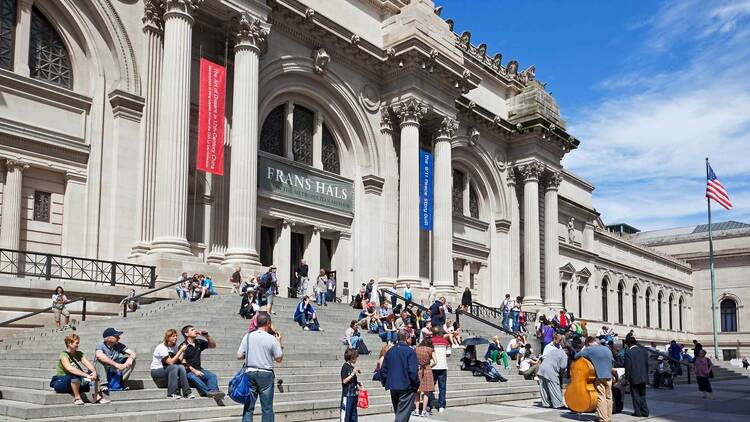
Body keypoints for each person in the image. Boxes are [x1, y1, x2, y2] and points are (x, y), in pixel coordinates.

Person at [237, 311, 283, 422]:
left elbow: (239, 356)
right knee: (267, 408)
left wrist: (249, 354)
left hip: (250, 373)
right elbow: (279, 359)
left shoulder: (247, 336)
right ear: (268, 323)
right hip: (266, 373)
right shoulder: (272, 339)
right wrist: (279, 342)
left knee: (248, 407)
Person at [51, 333, 109, 405]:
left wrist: (94, 371)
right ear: (69, 343)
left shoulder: (79, 353)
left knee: (93, 375)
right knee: (74, 377)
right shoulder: (63, 355)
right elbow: (69, 368)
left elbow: (88, 364)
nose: (78, 345)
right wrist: (85, 375)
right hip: (62, 381)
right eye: (76, 343)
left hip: (76, 382)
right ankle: (77, 398)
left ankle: (96, 396)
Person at [380, 331, 419, 422]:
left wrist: (386, 382)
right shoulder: (410, 351)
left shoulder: (390, 351)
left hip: (393, 386)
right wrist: (416, 384)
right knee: (402, 416)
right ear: (406, 338)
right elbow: (413, 372)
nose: (411, 339)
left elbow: (383, 370)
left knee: (399, 413)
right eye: (410, 337)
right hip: (407, 387)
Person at [575, 336, 614, 422]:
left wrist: (585, 349)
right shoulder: (607, 349)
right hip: (609, 375)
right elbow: (612, 361)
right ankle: (609, 417)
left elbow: (576, 356)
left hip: (599, 376)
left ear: (588, 343)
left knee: (600, 397)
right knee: (609, 397)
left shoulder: (589, 349)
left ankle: (603, 418)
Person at [180, 325, 224, 399]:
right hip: (188, 371)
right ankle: (209, 392)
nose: (195, 331)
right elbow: (182, 362)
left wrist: (207, 336)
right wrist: (194, 371)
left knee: (212, 376)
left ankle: (214, 391)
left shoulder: (199, 342)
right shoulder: (183, 346)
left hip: (199, 369)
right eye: (192, 329)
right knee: (193, 377)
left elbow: (213, 346)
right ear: (186, 334)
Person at [150, 329, 194, 399]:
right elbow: (171, 362)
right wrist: (180, 350)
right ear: (168, 338)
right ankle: (171, 393)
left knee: (181, 367)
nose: (175, 337)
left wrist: (183, 352)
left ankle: (187, 392)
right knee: (174, 367)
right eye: (173, 336)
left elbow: (179, 360)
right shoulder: (162, 347)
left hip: (168, 369)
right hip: (156, 371)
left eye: (176, 336)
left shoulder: (174, 346)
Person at [94, 327, 136, 394]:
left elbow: (133, 353)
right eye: (116, 336)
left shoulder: (118, 345)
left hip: (113, 369)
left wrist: (130, 360)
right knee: (100, 361)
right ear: (108, 338)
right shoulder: (101, 345)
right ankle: (103, 384)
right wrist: (117, 365)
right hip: (102, 371)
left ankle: (121, 381)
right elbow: (99, 355)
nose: (119, 338)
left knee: (132, 360)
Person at [623, 337, 649, 417]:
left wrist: (626, 379)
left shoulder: (629, 352)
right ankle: (645, 412)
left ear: (628, 344)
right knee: (643, 395)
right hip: (644, 377)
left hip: (634, 377)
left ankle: (638, 412)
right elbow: (646, 365)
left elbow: (628, 367)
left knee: (635, 395)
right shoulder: (644, 351)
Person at [413, 337, 435, 417]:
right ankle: (423, 411)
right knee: (426, 392)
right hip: (427, 369)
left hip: (418, 369)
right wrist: (429, 365)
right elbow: (435, 361)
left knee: (417, 391)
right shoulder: (430, 349)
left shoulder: (416, 349)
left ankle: (416, 410)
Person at [430, 327, 449, 413]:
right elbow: (448, 353)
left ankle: (429, 405)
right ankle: (441, 405)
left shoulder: (430, 341)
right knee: (442, 387)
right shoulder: (446, 342)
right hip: (443, 366)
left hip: (432, 366)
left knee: (430, 386)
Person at [340, 348, 362, 422]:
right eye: (356, 358)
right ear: (351, 358)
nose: (356, 359)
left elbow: (352, 380)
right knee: (346, 414)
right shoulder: (345, 367)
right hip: (347, 395)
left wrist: (358, 383)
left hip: (354, 394)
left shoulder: (352, 367)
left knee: (354, 415)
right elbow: (344, 381)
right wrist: (353, 373)